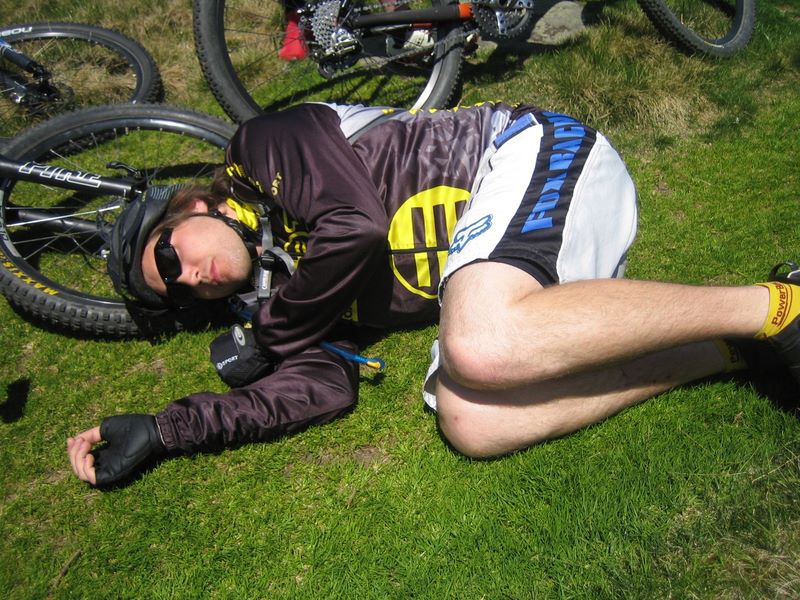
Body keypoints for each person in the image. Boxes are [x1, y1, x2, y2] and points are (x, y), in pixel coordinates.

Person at [67, 101, 800, 488]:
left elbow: (355, 225)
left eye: (171, 255)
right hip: (503, 265)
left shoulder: (258, 148)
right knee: (469, 420)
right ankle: (733, 350)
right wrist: (167, 431)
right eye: (180, 293)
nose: (191, 277)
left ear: (192, 208)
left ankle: (780, 306)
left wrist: (270, 332)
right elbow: (323, 388)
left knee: (478, 346)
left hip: (526, 153)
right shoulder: (279, 291)